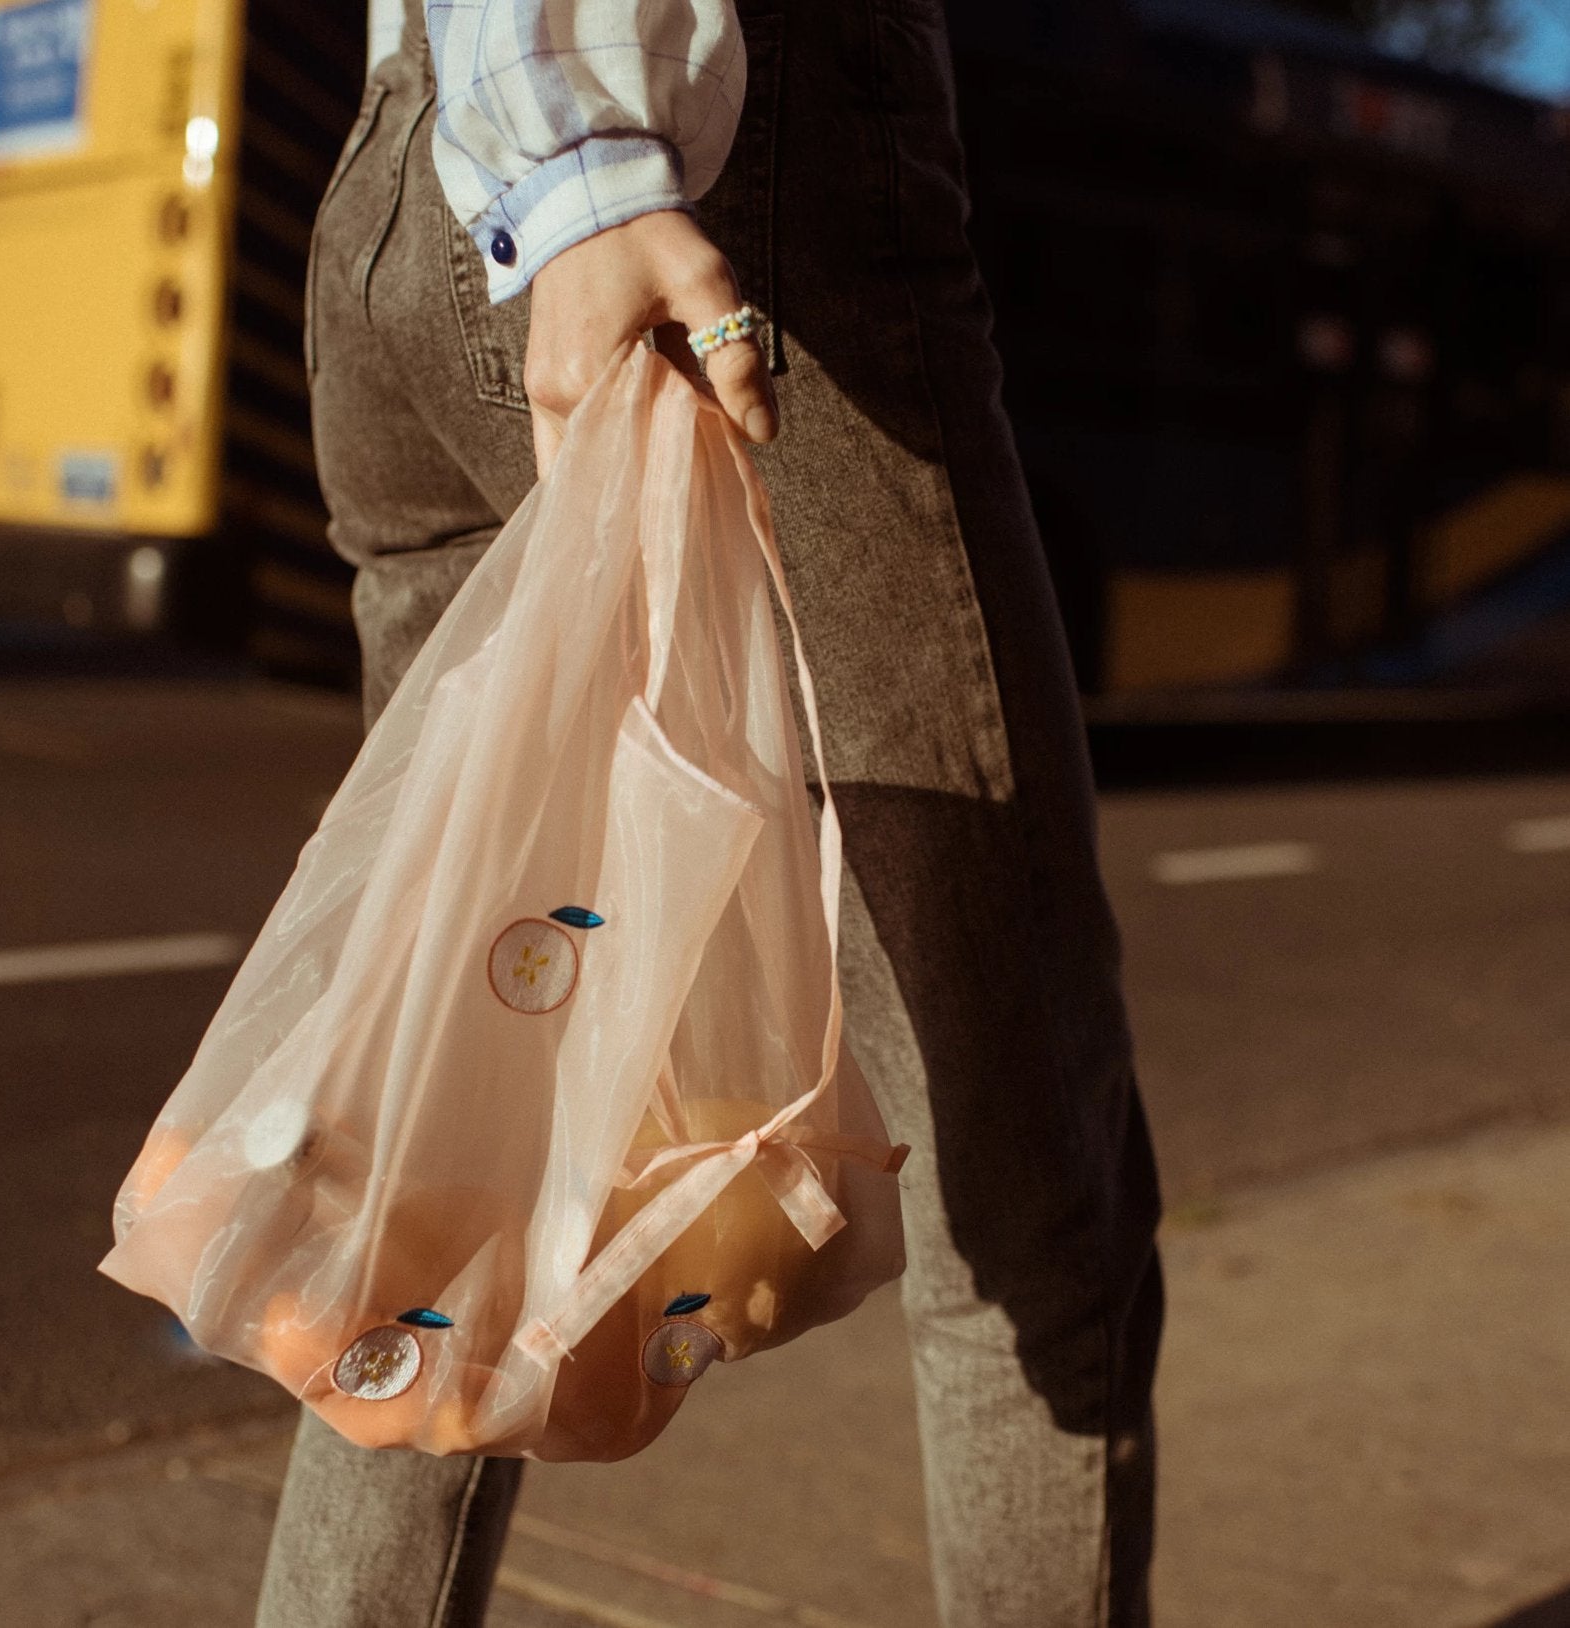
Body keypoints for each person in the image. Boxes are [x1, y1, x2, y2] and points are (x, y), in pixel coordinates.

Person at [256, 0, 1164, 1622]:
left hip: (404, 172)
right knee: (1020, 1194)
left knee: (447, 1168)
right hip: (692, 157)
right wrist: (594, 170)